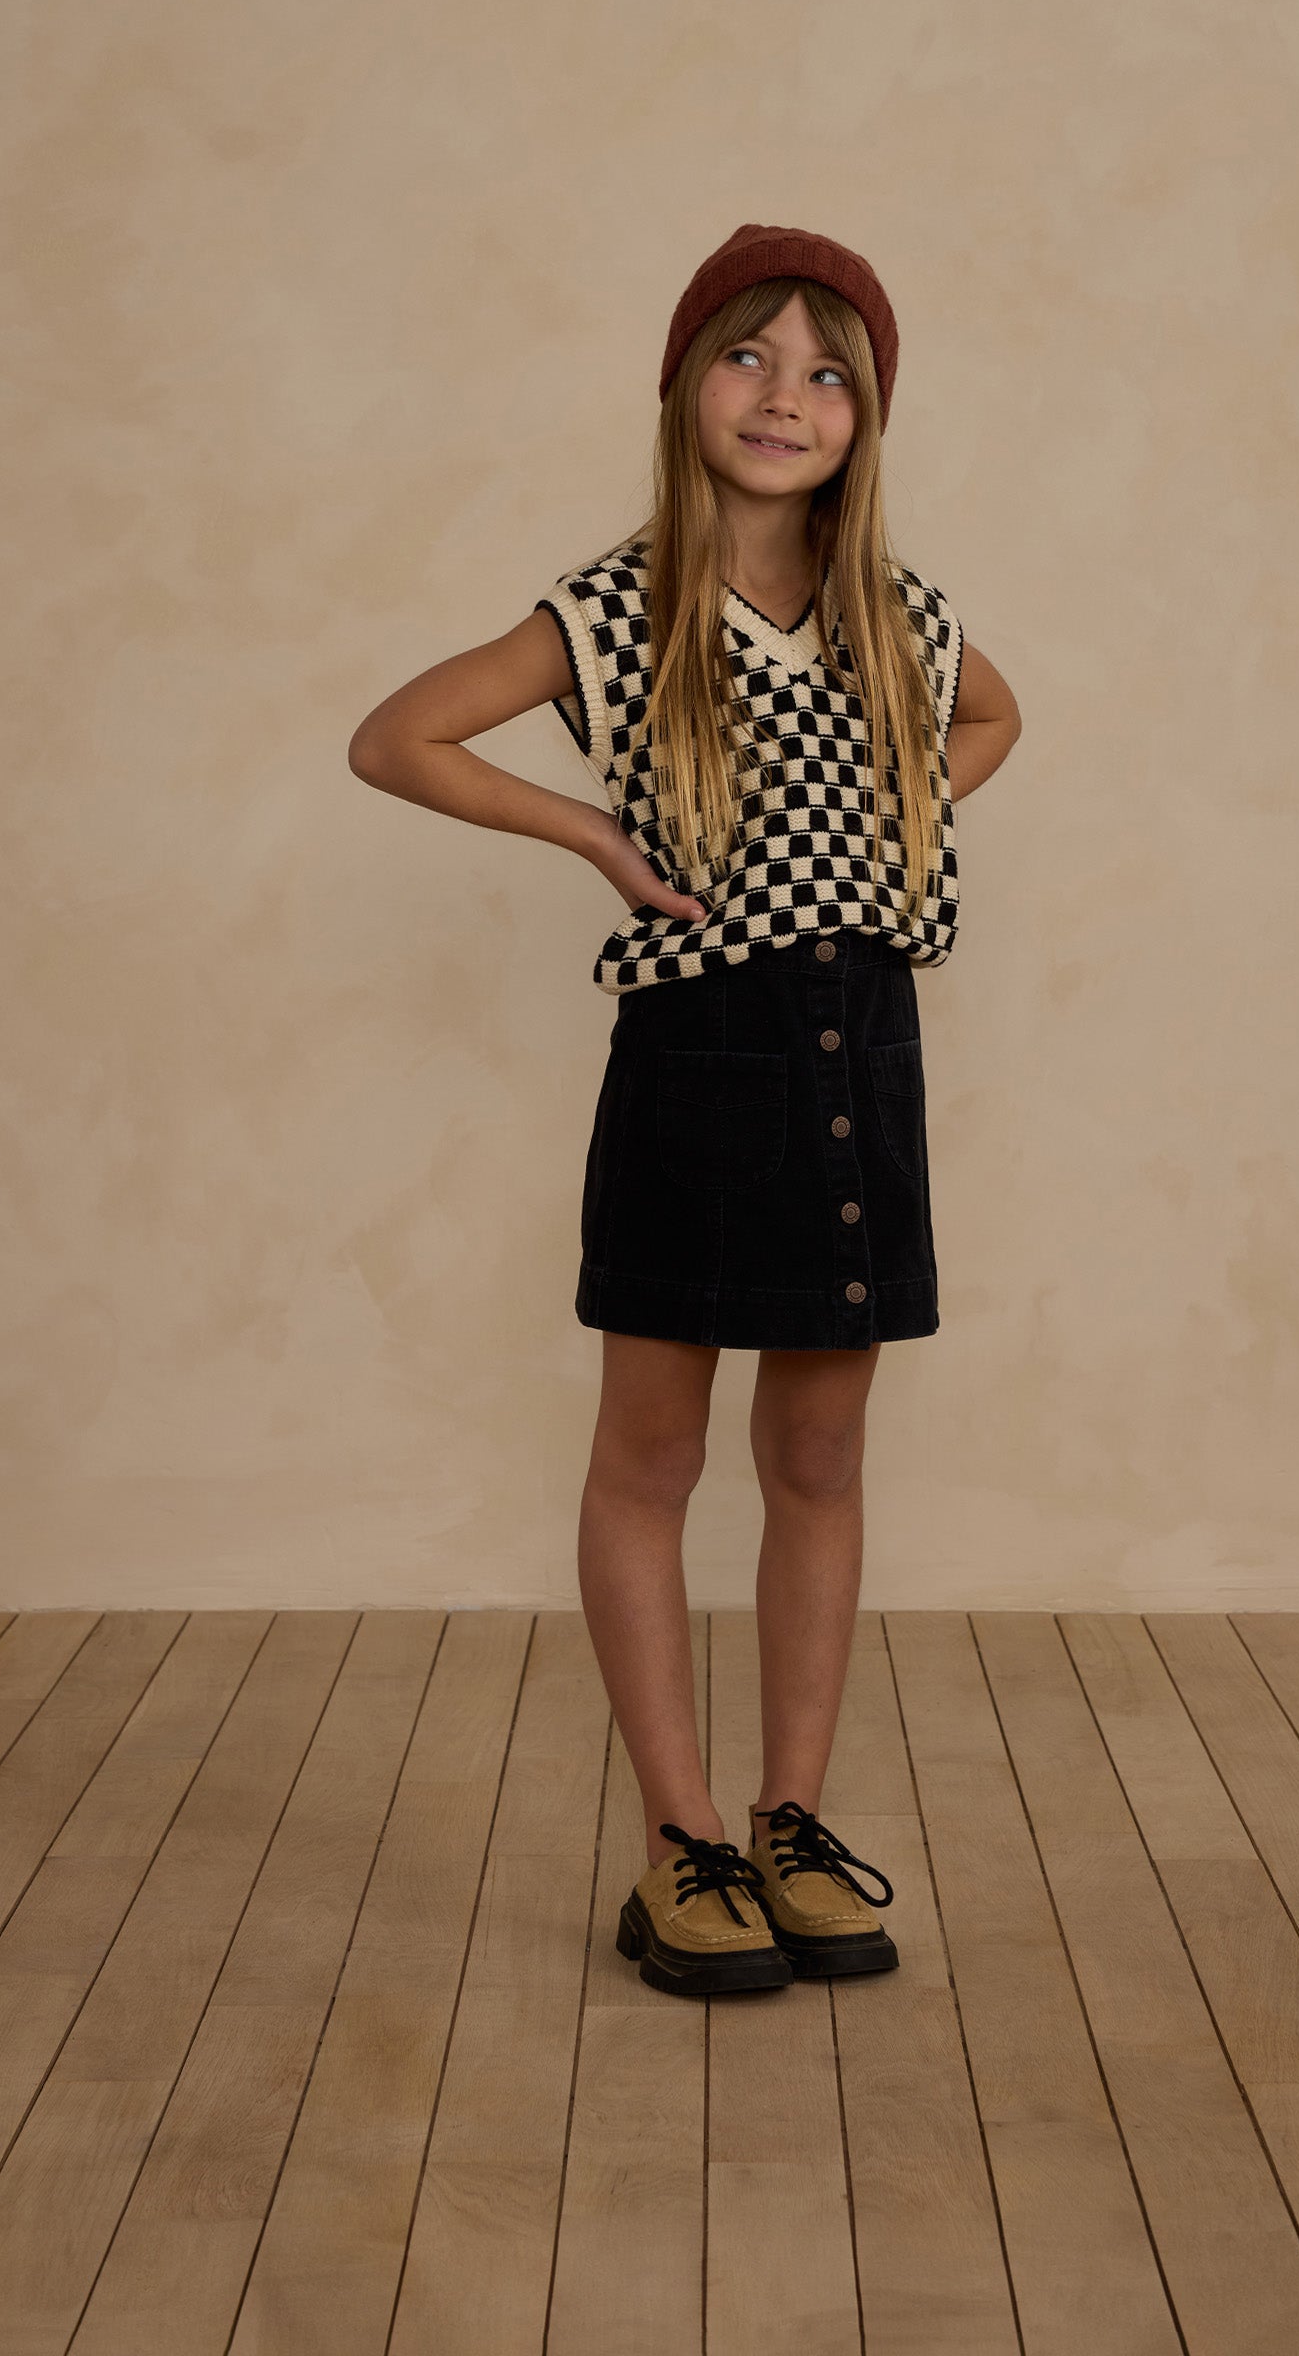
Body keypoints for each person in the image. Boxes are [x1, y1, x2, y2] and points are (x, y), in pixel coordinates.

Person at [349, 222, 1022, 1999]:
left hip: (861, 1053)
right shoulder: (619, 605)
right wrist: (588, 830)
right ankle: (680, 1839)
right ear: (684, 384)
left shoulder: (898, 613)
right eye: (749, 356)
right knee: (652, 1456)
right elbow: (396, 737)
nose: (785, 397)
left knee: (820, 1455)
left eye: (826, 373)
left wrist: (895, 814)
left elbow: (995, 720)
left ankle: (791, 1820)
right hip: (700, 1052)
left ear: (866, 417)